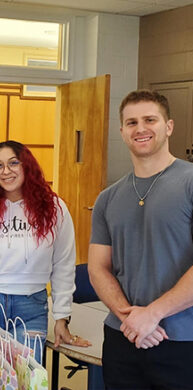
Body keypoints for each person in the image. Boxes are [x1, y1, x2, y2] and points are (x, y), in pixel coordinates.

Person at [89, 90, 193, 389]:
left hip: (182, 340)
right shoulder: (108, 198)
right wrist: (132, 320)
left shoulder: (189, 183)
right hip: (123, 337)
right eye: (131, 122)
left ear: (168, 126)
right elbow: (98, 268)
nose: (141, 128)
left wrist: (153, 314)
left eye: (150, 119)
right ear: (122, 132)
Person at [0, 140, 90, 352]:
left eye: (14, 163)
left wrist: (61, 317)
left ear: (26, 166)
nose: (6, 171)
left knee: (28, 378)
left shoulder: (54, 208)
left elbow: (63, 265)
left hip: (31, 307)